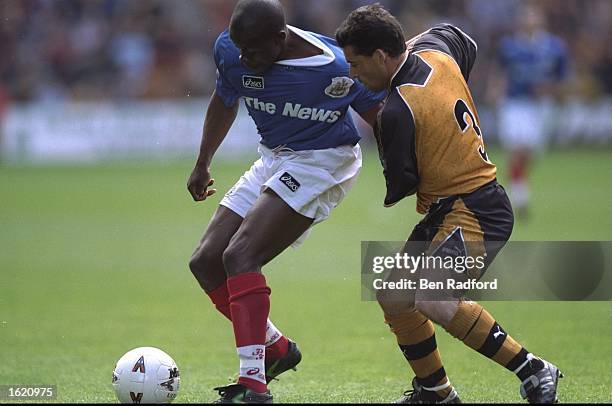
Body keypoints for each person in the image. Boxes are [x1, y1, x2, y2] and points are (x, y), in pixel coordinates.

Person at [336, 4, 562, 404]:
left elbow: (401, 187)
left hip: (474, 208)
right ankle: (436, 392)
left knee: (434, 298)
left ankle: (534, 369)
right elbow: (466, 42)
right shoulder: (435, 46)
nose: (354, 74)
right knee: (394, 293)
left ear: (382, 56)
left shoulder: (397, 110)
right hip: (456, 205)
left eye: (356, 63)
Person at [186, 0, 383, 403]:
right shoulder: (231, 49)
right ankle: (276, 350)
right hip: (275, 156)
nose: (245, 57)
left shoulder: (333, 65)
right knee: (205, 261)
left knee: (239, 256)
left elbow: (382, 115)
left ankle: (253, 384)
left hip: (326, 160)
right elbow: (225, 99)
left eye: (254, 50)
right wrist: (202, 162)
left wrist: (409, 173)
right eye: (240, 48)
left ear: (281, 38)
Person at [494, 6, 568, 218]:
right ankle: (519, 197)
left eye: (533, 16)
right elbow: (500, 72)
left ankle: (516, 185)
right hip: (515, 104)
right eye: (526, 16)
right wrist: (495, 91)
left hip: (542, 107)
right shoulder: (509, 47)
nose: (529, 20)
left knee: (531, 153)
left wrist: (551, 90)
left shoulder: (554, 47)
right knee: (519, 149)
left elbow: (562, 77)